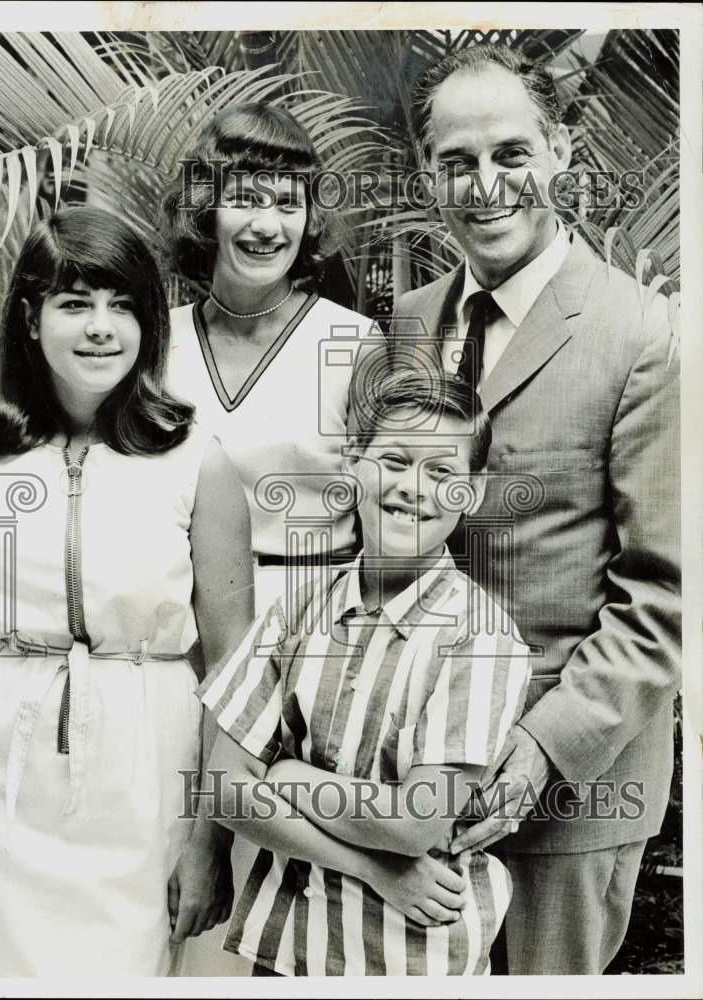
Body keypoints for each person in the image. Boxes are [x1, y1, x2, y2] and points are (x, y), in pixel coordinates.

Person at [392, 44, 681, 974]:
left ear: (558, 151)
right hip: (415, 780)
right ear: (428, 175)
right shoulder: (407, 321)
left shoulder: (639, 332)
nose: (486, 186)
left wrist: (541, 752)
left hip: (567, 793)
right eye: (457, 162)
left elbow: (667, 596)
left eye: (511, 154)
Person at [0, 206, 254, 976]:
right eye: (75, 304)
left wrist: (209, 839)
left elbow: (237, 668)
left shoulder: (198, 463)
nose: (101, 328)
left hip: (146, 783)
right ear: (30, 317)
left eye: (123, 305)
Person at [199, 369, 534, 976]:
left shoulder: (481, 638)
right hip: (293, 945)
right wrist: (371, 865)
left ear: (474, 491)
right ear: (354, 461)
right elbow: (224, 789)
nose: (414, 488)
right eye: (396, 460)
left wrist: (283, 771)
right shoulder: (300, 608)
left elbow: (413, 822)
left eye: (442, 472)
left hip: (413, 956)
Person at [161, 102, 376, 614]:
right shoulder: (157, 340)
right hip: (177, 624)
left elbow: (391, 515)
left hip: (318, 622)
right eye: (244, 199)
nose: (267, 226)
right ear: (205, 211)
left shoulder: (353, 341)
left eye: (287, 202)